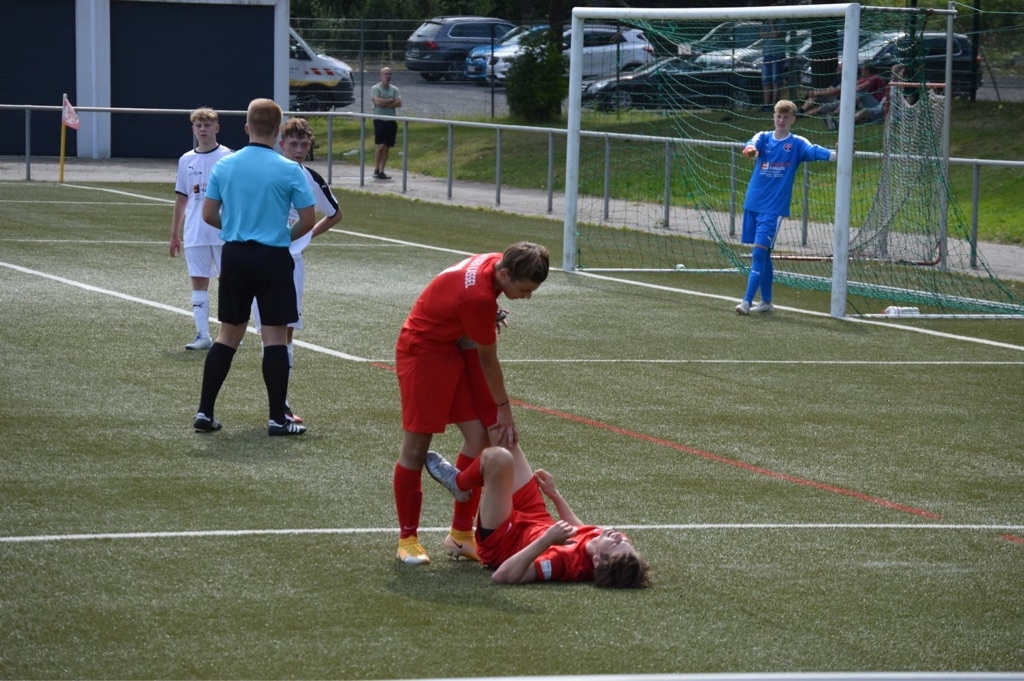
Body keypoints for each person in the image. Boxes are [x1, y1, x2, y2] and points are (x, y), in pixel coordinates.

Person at [393, 242, 550, 565]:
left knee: (478, 439)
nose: (526, 297)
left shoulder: (496, 263)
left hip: (452, 346)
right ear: (505, 274)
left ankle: (461, 536)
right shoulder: (478, 298)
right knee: (415, 449)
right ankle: (407, 539)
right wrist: (504, 408)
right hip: (422, 352)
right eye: (524, 290)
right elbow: (489, 363)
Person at [192, 98, 317, 436]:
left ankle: (205, 411)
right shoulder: (289, 169)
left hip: (234, 255)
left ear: (247, 128)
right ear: (278, 132)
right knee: (274, 335)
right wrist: (281, 236)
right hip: (272, 257)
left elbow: (208, 214)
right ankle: (277, 418)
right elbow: (308, 220)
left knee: (227, 335)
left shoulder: (224, 165)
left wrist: (236, 227)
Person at [424, 443, 652, 588]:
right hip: (536, 515)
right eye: (626, 541)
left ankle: (459, 483)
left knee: (498, 459)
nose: (619, 537)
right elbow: (580, 530)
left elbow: (502, 576)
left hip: (503, 538)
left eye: (616, 544)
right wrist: (555, 495)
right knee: (503, 431)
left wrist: (546, 540)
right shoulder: (605, 541)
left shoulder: (563, 563)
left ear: (597, 561)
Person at [250, 117, 344, 425]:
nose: (300, 149)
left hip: (291, 263)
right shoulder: (268, 170)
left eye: (305, 144)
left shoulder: (310, 177)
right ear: (282, 144)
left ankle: (281, 402)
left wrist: (305, 235)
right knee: (263, 331)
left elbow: (334, 214)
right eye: (294, 143)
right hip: (259, 257)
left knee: (286, 330)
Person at [736, 100, 837, 315]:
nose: (781, 120)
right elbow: (751, 144)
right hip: (753, 203)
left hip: (773, 208)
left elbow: (815, 151)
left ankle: (746, 302)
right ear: (774, 117)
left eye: (786, 117)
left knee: (758, 253)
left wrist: (838, 155)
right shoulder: (763, 137)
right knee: (764, 255)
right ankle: (766, 302)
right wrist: (750, 149)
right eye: (778, 116)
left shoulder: (797, 143)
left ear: (793, 120)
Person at [169, 107, 233, 350]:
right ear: (193, 129)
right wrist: (175, 234)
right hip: (195, 232)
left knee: (229, 283)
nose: (203, 129)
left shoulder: (229, 157)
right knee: (198, 281)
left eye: (207, 125)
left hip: (224, 232)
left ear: (217, 128)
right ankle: (202, 335)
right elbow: (182, 199)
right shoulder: (186, 160)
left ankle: (230, 333)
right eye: (199, 125)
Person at [371, 66, 402, 180]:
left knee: (387, 146)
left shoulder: (394, 89)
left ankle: (381, 171)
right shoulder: (376, 88)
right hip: (379, 120)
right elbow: (377, 102)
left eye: (389, 74)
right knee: (381, 144)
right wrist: (390, 100)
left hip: (391, 120)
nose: (388, 76)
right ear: (381, 75)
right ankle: (376, 168)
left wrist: (384, 102)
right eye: (386, 74)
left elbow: (398, 103)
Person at [759, 18, 786, 110]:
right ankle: (766, 104)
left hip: (777, 55)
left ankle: (775, 104)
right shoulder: (765, 22)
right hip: (766, 54)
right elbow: (761, 35)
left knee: (776, 80)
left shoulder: (782, 22)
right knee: (765, 80)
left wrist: (771, 24)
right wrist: (770, 34)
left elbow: (775, 35)